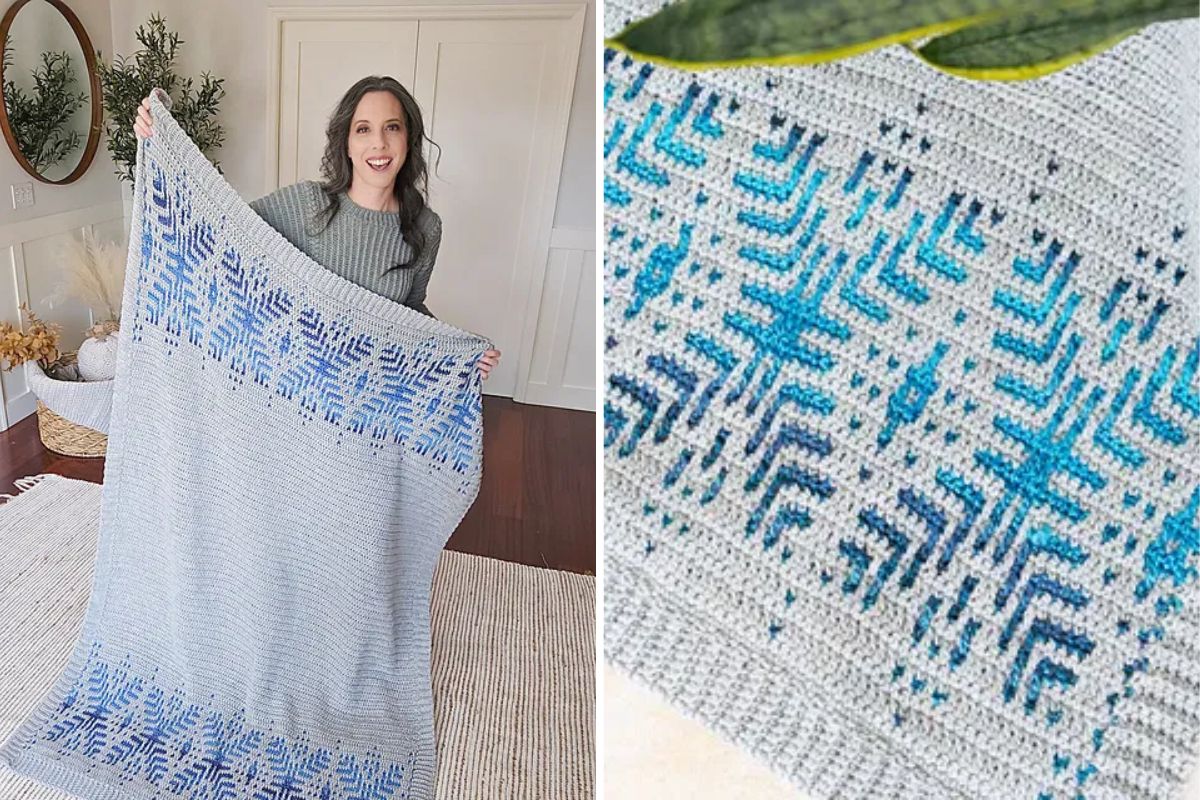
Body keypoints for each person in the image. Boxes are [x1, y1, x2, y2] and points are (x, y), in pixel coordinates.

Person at [134, 76, 501, 380]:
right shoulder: (306, 204)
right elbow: (220, 232)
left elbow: (410, 309)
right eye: (363, 129)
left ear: (409, 139)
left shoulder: (425, 228)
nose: (379, 143)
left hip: (370, 393)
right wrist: (160, 133)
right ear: (347, 143)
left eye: (393, 127)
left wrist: (456, 353)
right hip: (294, 385)